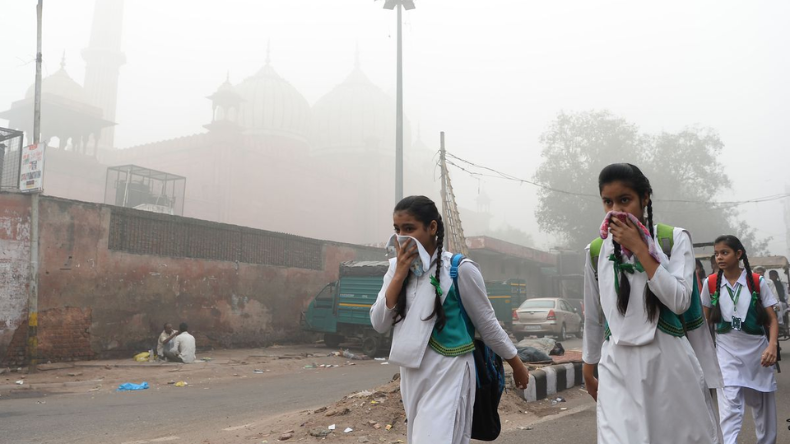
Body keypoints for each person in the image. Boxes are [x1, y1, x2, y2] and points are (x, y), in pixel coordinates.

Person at [370, 196, 529, 444]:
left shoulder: (460, 269)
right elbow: (379, 322)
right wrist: (399, 275)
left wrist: (516, 364)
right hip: (412, 372)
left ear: (432, 227)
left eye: (409, 229)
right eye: (397, 229)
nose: (402, 237)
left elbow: (487, 324)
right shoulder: (395, 269)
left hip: (450, 369)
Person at [582, 163, 720, 444]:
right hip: (616, 366)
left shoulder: (673, 239)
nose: (615, 210)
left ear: (645, 198)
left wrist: (642, 250)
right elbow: (594, 317)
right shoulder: (596, 251)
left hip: (668, 365)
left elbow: (680, 301)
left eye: (624, 200)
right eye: (608, 202)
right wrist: (588, 366)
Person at [700, 235, 779, 444]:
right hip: (726, 354)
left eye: (724, 252)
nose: (719, 257)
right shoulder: (710, 283)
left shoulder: (756, 282)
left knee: (764, 409)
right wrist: (704, 355)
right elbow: (703, 323)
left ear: (738, 254)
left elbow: (772, 320)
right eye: (716, 254)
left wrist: (772, 346)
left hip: (758, 354)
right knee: (730, 406)